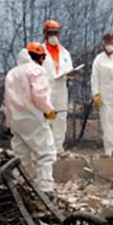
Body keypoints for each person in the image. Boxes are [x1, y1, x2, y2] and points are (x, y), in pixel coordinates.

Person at [4, 43, 58, 193]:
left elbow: (7, 102)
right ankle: (45, 190)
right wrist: (49, 110)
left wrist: (9, 124)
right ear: (40, 57)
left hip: (16, 121)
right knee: (45, 154)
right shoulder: (37, 71)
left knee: (21, 157)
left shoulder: (11, 74)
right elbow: (39, 95)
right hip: (34, 119)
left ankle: (20, 188)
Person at [40, 20, 77, 153]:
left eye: (56, 33)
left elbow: (68, 69)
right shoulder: (40, 51)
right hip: (46, 88)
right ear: (45, 33)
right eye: (51, 33)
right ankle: (46, 147)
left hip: (61, 88)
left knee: (61, 118)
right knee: (47, 117)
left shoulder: (65, 53)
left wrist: (72, 73)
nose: (53, 36)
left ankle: (58, 147)